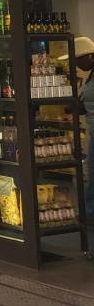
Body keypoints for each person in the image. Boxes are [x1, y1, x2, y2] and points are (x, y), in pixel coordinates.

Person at [65, 36, 94, 219]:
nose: (77, 65)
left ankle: (89, 213)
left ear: (90, 56)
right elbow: (83, 105)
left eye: (78, 60)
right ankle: (89, 212)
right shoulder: (90, 76)